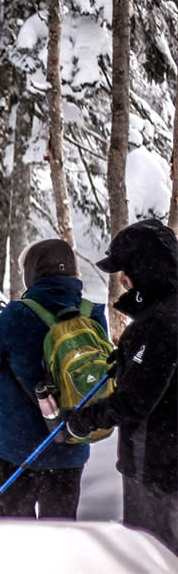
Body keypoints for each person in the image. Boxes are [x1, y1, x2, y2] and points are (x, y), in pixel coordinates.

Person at [0, 239, 106, 518]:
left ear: (33, 272)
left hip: (19, 449)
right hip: (71, 441)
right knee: (61, 531)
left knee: (17, 536)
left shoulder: (18, 313)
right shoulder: (92, 313)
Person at [65, 219, 177, 554]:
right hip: (165, 462)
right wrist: (127, 361)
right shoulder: (161, 315)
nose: (122, 280)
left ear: (144, 267)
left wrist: (83, 419)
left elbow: (135, 402)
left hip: (157, 466)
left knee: (151, 553)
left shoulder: (158, 322)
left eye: (124, 270)